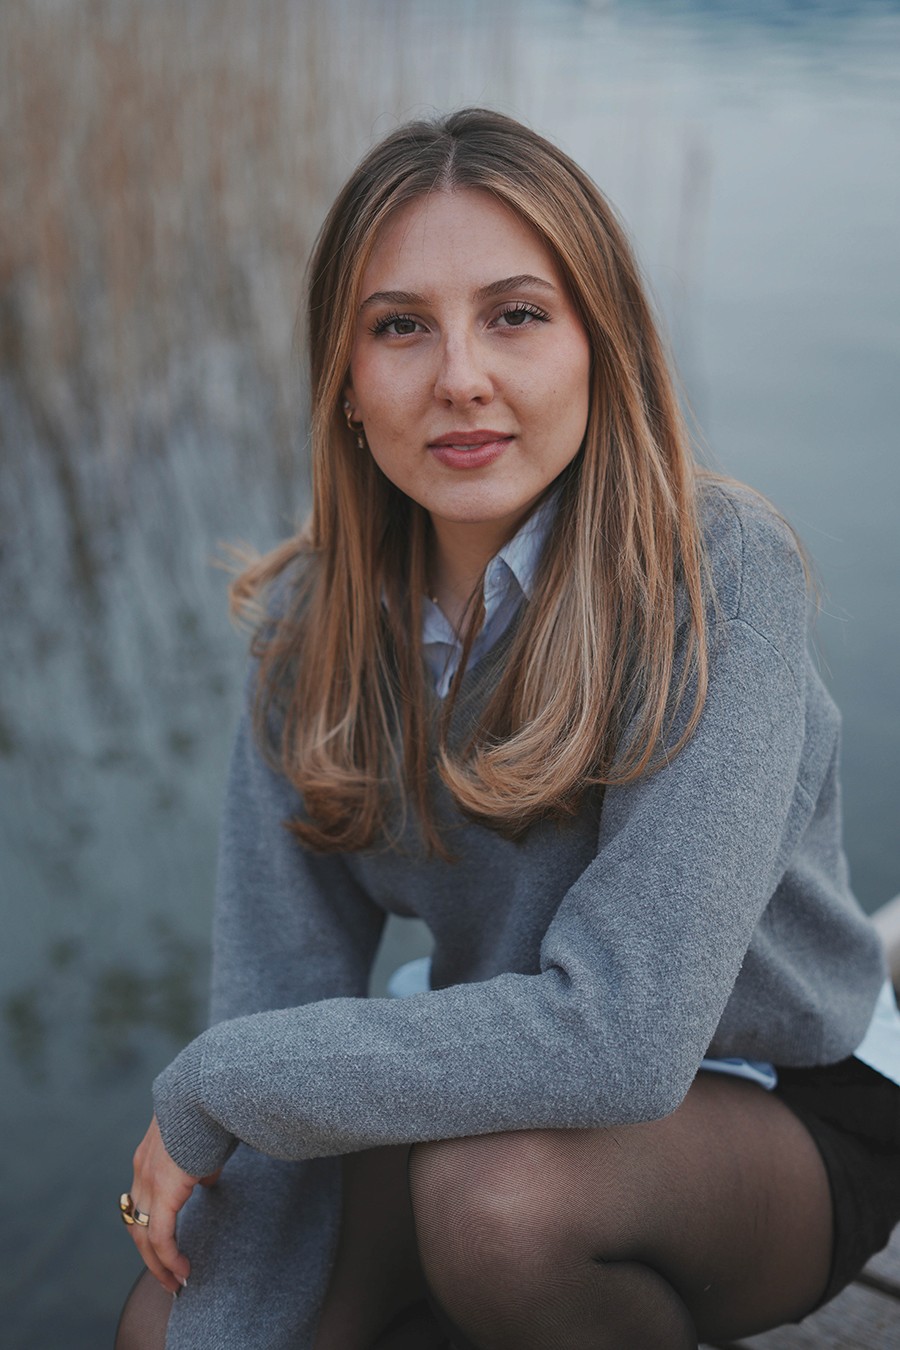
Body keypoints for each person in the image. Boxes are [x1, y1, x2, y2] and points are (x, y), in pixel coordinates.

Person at [115, 108, 900, 1350]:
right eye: (401, 326)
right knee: (176, 1315)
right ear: (347, 382)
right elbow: (276, 1000)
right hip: (494, 1077)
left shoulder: (717, 578)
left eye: (516, 315)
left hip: (776, 1097)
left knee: (499, 1207)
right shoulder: (307, 636)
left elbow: (622, 1043)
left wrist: (220, 1081)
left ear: (604, 346)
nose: (461, 376)